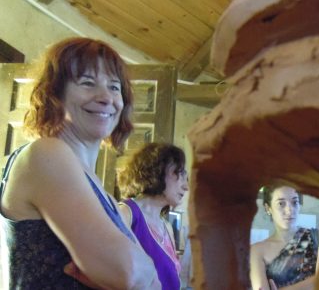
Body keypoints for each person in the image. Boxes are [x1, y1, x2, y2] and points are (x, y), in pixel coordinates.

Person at [0, 37, 160, 289]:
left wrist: (144, 271)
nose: (106, 97)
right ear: (55, 93)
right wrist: (142, 270)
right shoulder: (45, 153)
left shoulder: (101, 191)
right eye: (87, 83)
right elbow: (128, 273)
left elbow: (153, 282)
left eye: (114, 87)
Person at [117, 142, 189, 290]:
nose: (186, 186)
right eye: (180, 174)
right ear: (158, 169)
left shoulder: (168, 226)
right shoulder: (126, 213)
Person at [250, 180, 319, 290]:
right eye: (281, 204)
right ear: (268, 208)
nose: (289, 210)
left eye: (294, 202)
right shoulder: (257, 250)